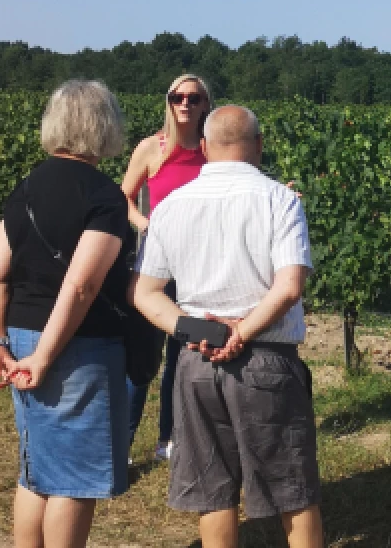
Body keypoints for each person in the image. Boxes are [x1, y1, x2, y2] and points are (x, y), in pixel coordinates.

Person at [130, 105, 323, 548]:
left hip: (196, 360)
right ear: (258, 145)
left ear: (203, 148)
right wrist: (243, 331)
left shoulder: (172, 206)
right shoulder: (280, 199)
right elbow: (289, 285)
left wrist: (194, 328)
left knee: (212, 492)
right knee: (292, 491)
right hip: (268, 361)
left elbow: (144, 293)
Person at [0, 79, 134, 548]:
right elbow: (82, 285)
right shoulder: (105, 197)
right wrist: (45, 357)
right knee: (72, 478)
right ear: (105, 126)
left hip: (21, 338)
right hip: (77, 349)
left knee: (36, 469)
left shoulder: (25, 188)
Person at [121, 73, 212, 460]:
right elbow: (123, 197)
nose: (185, 104)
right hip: (154, 269)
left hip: (196, 268)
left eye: (193, 97)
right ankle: (120, 444)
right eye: (177, 97)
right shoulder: (151, 148)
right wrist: (148, 227)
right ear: (169, 102)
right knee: (141, 358)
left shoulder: (213, 152)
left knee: (181, 355)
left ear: (206, 104)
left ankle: (168, 440)